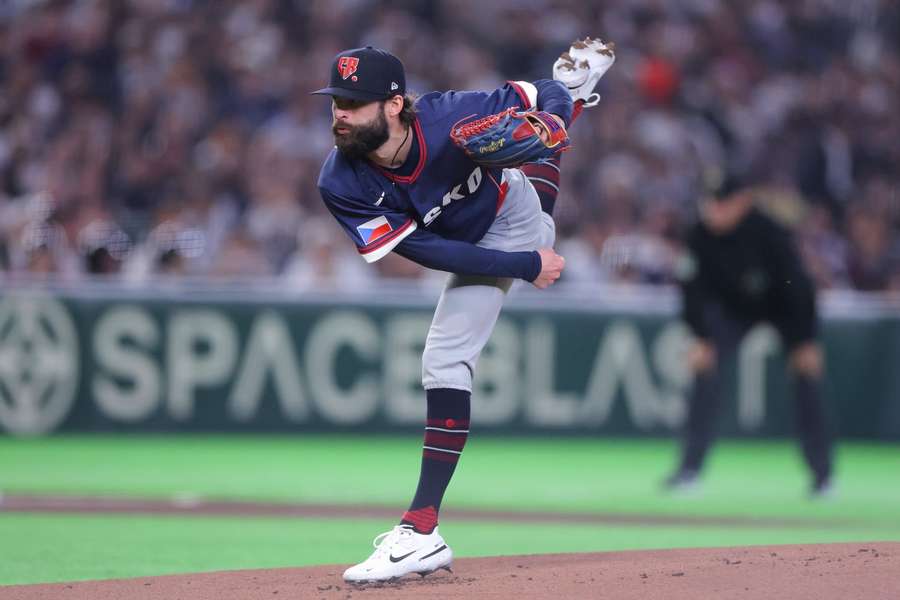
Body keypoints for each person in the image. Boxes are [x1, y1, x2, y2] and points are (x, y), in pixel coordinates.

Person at [312, 39, 615, 582]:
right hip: (476, 238)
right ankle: (573, 99)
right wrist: (525, 266)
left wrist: (556, 111)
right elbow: (426, 251)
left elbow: (538, 92)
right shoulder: (339, 181)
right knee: (526, 177)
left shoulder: (449, 114)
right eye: (336, 101)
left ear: (394, 104)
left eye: (354, 103)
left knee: (445, 358)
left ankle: (420, 531)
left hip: (508, 216)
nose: (341, 113)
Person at [664, 171, 835, 498]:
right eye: (710, 202)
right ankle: (689, 470)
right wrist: (700, 336)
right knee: (704, 368)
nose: (714, 210)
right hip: (733, 310)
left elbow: (799, 288)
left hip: (781, 308)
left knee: (807, 374)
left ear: (743, 201)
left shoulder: (769, 232)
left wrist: (805, 340)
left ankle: (823, 477)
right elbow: (691, 291)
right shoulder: (699, 233)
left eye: (722, 203)